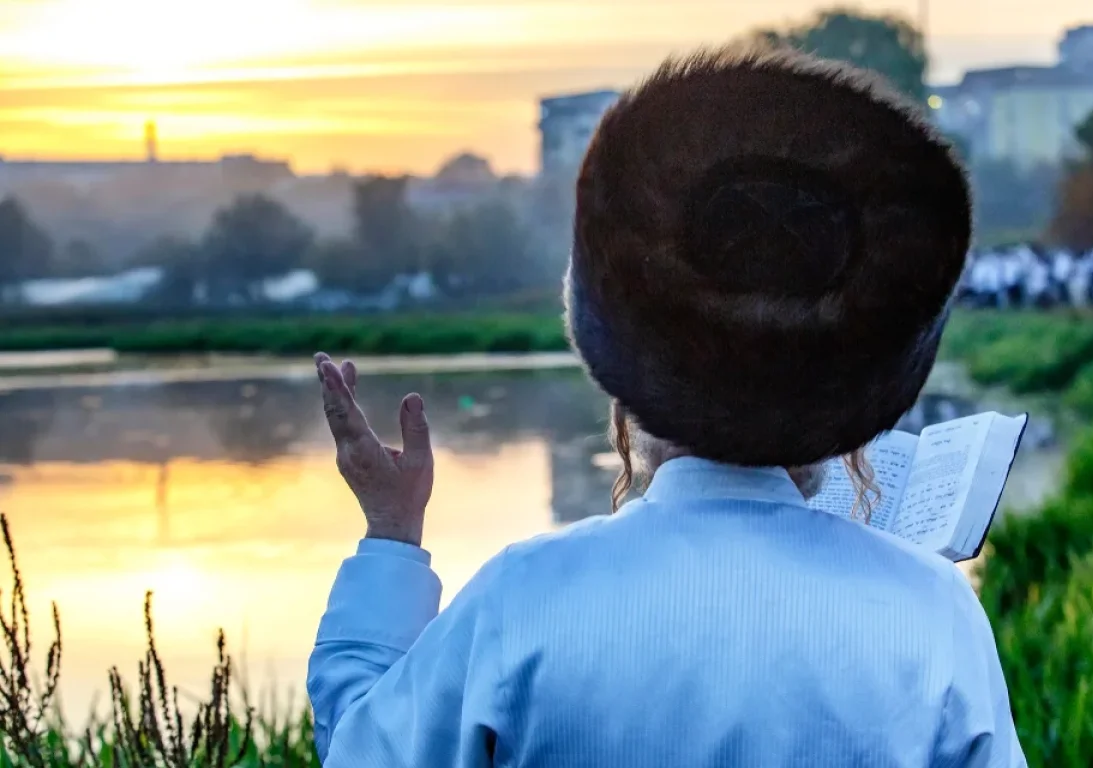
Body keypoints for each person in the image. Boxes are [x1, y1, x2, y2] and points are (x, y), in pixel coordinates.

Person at [307, 48, 1026, 768]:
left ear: (626, 374)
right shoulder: (932, 614)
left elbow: (360, 756)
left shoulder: (521, 601)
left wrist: (392, 536)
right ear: (844, 396)